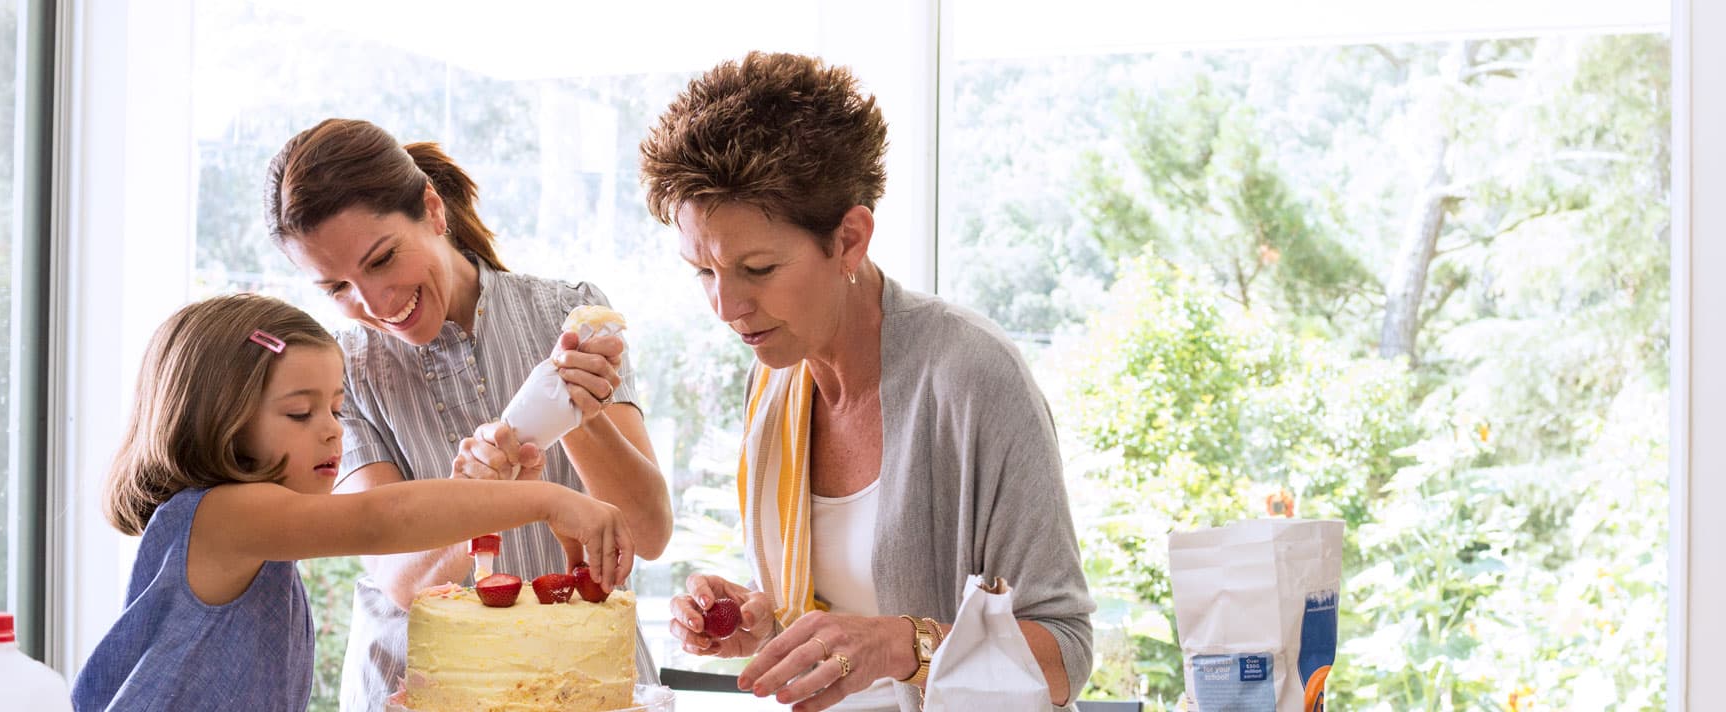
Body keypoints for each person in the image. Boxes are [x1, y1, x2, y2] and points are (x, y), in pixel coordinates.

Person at [642, 52, 1096, 711]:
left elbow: (1067, 650)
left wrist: (906, 646)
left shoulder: (971, 377)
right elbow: (846, 616)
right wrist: (767, 626)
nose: (727, 307)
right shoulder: (775, 379)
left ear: (850, 239)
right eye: (704, 272)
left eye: (759, 268)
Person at [263, 118, 672, 710]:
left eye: (380, 260)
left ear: (432, 210)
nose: (374, 304)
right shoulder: (338, 373)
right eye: (336, 288)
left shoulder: (569, 313)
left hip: (585, 688)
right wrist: (471, 494)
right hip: (422, 692)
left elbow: (647, 534)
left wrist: (577, 409)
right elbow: (403, 580)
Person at [71, 293, 630, 711]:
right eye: (299, 413)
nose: (331, 433)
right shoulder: (223, 517)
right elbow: (377, 518)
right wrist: (549, 500)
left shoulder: (259, 537)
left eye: (336, 410)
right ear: (219, 418)